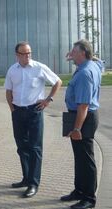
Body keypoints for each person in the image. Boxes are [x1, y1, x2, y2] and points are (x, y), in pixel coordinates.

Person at [4, 41, 62, 198]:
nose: (27, 56)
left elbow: (57, 81)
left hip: (34, 111)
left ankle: (33, 183)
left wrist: (48, 99)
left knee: (35, 148)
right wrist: (12, 109)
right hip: (18, 112)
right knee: (22, 146)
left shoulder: (39, 67)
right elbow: (8, 91)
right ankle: (26, 178)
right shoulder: (12, 70)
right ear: (17, 55)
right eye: (23, 53)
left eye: (29, 53)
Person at [61, 39, 102, 209]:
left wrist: (77, 128)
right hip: (82, 117)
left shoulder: (85, 73)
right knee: (80, 158)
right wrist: (73, 58)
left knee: (86, 159)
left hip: (83, 118)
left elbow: (83, 105)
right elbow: (100, 61)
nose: (71, 54)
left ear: (83, 53)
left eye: (74, 51)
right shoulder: (92, 65)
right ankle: (79, 190)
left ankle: (89, 198)